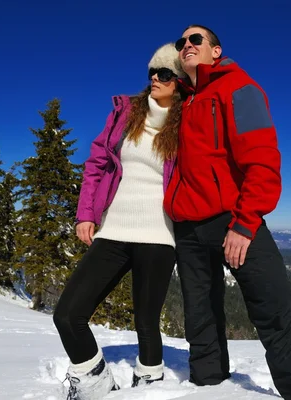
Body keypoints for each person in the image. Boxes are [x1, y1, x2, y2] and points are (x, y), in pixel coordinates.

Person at [163, 25, 291, 399]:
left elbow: (263, 160)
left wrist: (244, 222)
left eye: (195, 40)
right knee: (200, 316)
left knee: (275, 313)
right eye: (180, 43)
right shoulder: (186, 101)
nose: (186, 46)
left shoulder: (238, 87)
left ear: (216, 51)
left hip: (233, 220)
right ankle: (209, 388)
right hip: (189, 229)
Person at [52, 43, 186, 400]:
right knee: (67, 314)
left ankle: (148, 387)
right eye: (152, 73)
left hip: (159, 236)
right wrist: (86, 214)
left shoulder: (189, 125)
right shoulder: (125, 115)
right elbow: (96, 164)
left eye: (165, 74)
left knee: (146, 324)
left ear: (181, 83)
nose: (155, 79)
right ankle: (97, 385)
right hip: (113, 231)